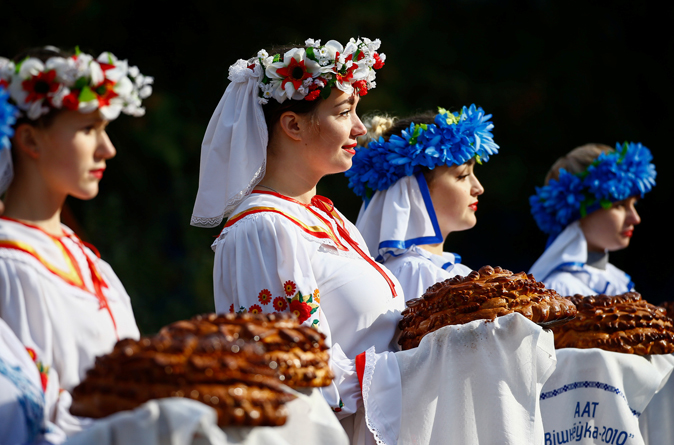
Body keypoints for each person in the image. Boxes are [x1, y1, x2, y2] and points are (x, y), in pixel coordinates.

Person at [191, 38, 406, 444]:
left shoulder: (330, 217)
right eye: (344, 112)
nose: (361, 128)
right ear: (292, 125)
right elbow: (296, 378)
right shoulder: (263, 228)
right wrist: (419, 369)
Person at [0, 46, 150, 434]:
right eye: (88, 130)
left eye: (104, 129)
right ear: (30, 141)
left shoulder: (82, 255)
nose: (108, 149)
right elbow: (22, 416)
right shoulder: (9, 263)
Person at [345, 106, 497, 302]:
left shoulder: (440, 270)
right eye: (462, 176)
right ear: (412, 189)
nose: (478, 188)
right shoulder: (413, 272)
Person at [528, 142, 656, 296]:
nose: (635, 219)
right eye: (619, 205)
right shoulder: (558, 289)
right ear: (578, 213)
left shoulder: (620, 282)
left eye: (633, 204)